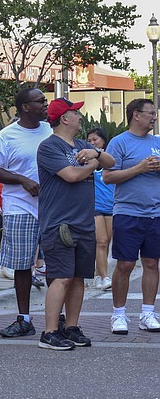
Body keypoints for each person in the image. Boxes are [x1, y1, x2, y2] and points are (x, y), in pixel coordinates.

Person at [36, 98, 115, 350]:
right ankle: (49, 333)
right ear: (64, 119)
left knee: (79, 278)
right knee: (61, 277)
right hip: (60, 224)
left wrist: (98, 153)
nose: (81, 117)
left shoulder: (83, 145)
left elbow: (111, 163)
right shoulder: (49, 147)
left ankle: (71, 327)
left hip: (84, 222)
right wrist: (93, 164)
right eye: (76, 113)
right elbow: (71, 175)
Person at [0, 88, 51, 338]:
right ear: (25, 107)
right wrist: (22, 180)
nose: (45, 104)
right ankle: (24, 319)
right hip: (20, 208)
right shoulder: (6, 136)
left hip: (50, 207)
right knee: (23, 266)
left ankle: (56, 316)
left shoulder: (50, 131)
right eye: (40, 101)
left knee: (55, 263)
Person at [103, 98, 160, 335]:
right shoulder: (119, 142)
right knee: (125, 264)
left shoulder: (157, 143)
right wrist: (139, 168)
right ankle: (119, 314)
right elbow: (107, 177)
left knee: (152, 263)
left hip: (155, 213)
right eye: (150, 113)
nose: (154, 117)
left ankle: (148, 312)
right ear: (136, 115)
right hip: (127, 212)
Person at [87, 127, 114, 291]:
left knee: (107, 243)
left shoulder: (110, 160)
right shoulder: (87, 160)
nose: (92, 143)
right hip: (94, 206)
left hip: (111, 205)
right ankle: (104, 277)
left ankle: (97, 274)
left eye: (95, 139)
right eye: (89, 140)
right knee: (101, 241)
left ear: (103, 140)